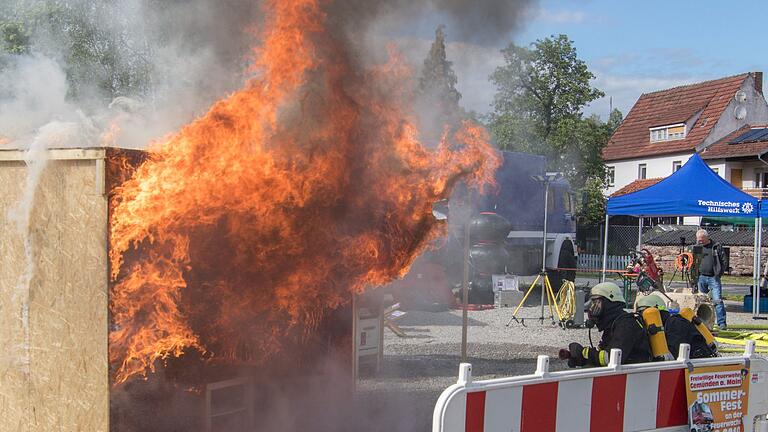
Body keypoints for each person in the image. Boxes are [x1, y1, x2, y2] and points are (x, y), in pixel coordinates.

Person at [562, 282, 651, 367]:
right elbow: (603, 354)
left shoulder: (626, 325)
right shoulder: (613, 323)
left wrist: (584, 353)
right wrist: (582, 359)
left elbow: (610, 359)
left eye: (595, 302)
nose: (592, 307)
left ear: (608, 302)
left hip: (638, 377)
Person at [635, 294, 716, 359]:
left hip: (701, 368)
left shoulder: (675, 324)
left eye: (645, 313)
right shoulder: (665, 327)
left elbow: (671, 358)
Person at [695, 229, 726, 329]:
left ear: (707, 237)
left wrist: (719, 273)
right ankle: (701, 323)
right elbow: (694, 260)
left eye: (701, 240)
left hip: (714, 277)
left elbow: (724, 261)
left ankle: (722, 323)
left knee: (717, 300)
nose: (700, 241)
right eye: (698, 239)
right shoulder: (698, 247)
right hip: (701, 277)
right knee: (701, 301)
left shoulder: (716, 246)